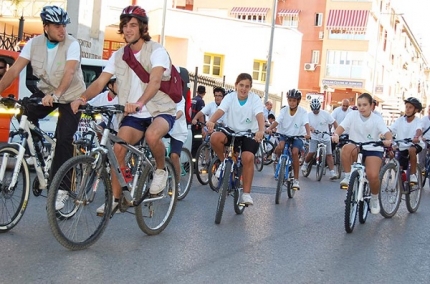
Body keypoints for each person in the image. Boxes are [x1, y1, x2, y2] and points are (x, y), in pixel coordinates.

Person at [71, 5, 177, 214]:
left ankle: (160, 169)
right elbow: (101, 82)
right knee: (117, 149)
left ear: (142, 28)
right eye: (125, 26)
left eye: (133, 25)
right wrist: (82, 98)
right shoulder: (119, 55)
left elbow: (155, 82)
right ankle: (117, 199)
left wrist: (139, 102)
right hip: (133, 114)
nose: (128, 29)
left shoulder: (157, 51)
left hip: (159, 109)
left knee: (153, 135)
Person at [0, 6, 85, 210]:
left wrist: (56, 95)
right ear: (46, 27)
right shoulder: (33, 44)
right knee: (24, 112)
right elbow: (13, 72)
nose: (62, 30)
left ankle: (63, 189)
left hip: (71, 96)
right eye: (57, 26)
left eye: (64, 25)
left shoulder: (72, 44)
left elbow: (70, 72)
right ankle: (38, 150)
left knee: (64, 138)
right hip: (47, 91)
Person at [206, 73, 265, 205]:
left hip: (250, 133)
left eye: (247, 86)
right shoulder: (230, 97)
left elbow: (259, 115)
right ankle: (224, 164)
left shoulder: (254, 99)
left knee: (247, 157)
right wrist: (211, 121)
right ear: (236, 85)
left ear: (250, 88)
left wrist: (261, 131)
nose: (244, 89)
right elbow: (221, 110)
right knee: (215, 138)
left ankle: (246, 194)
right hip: (232, 131)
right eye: (241, 85)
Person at [332, 93, 392, 215]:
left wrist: (388, 140)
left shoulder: (377, 119)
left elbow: (386, 132)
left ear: (371, 106)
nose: (362, 107)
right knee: (345, 148)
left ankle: (374, 199)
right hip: (356, 145)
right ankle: (348, 176)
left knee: (372, 175)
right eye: (359, 105)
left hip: (373, 147)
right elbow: (342, 127)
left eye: (365, 105)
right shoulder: (352, 115)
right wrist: (336, 134)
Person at [265, 89, 311, 190]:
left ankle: (296, 180)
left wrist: (308, 134)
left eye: (294, 100)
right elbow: (277, 121)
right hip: (284, 134)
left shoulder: (302, 112)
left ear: (298, 101)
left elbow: (306, 123)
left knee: (295, 152)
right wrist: (269, 128)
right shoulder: (284, 110)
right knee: (280, 147)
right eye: (290, 100)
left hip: (297, 136)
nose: (292, 103)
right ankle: (276, 155)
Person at [301, 98, 338, 180]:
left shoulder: (325, 114)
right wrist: (311, 128)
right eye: (314, 110)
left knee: (329, 154)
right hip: (314, 136)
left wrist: (336, 133)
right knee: (311, 152)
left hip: (325, 136)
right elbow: (305, 125)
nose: (315, 111)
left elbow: (334, 122)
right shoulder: (308, 115)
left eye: (317, 110)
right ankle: (305, 164)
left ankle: (332, 172)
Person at [389, 97, 423, 183]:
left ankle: (413, 175)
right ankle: (402, 186)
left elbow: (419, 129)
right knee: (399, 166)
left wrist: (416, 137)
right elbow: (391, 129)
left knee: (412, 150)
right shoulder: (400, 120)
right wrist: (384, 133)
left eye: (410, 107)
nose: (407, 109)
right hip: (402, 146)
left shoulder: (418, 121)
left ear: (416, 110)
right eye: (406, 107)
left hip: (415, 144)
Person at [168, 96, 188, 194]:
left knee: (174, 155)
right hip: (164, 128)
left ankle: (177, 183)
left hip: (178, 131)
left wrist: (172, 117)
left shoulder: (179, 97)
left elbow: (180, 112)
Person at [190, 85, 206, 158]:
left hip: (190, 126)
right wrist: (203, 127)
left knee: (191, 145)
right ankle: (194, 165)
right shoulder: (201, 101)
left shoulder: (192, 100)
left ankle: (188, 163)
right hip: (197, 127)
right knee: (197, 147)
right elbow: (201, 114)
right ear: (204, 93)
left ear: (197, 91)